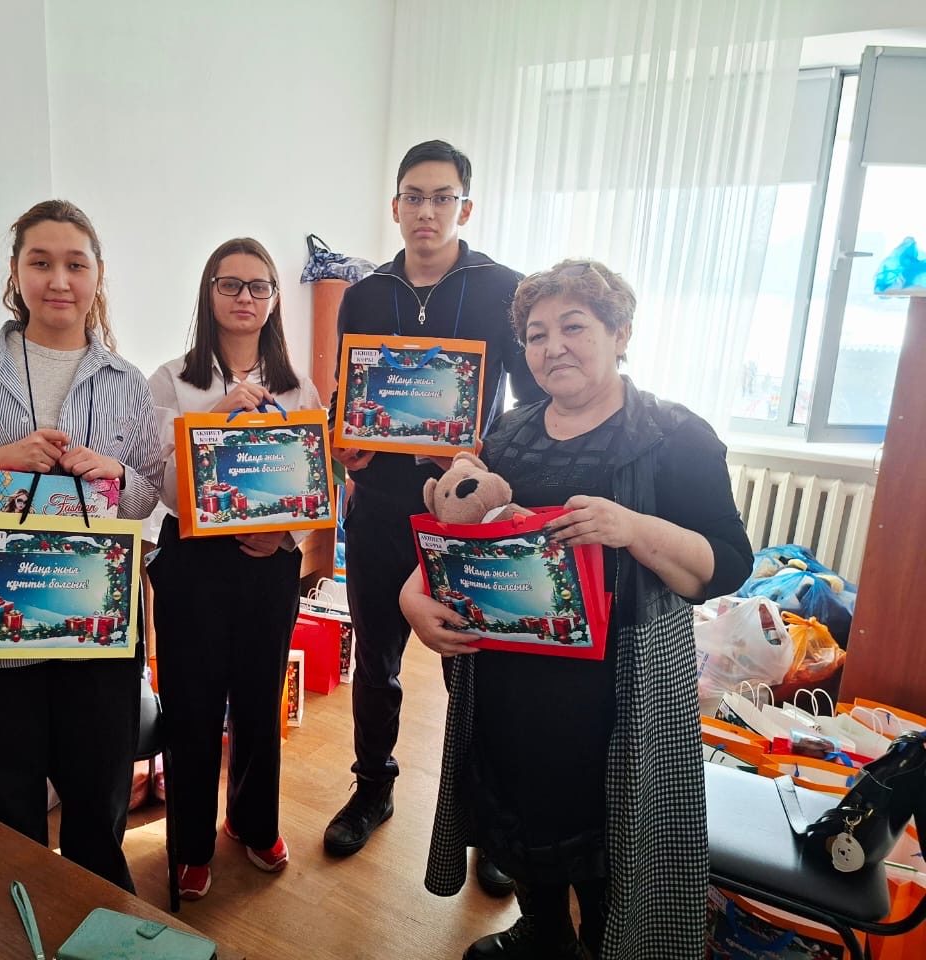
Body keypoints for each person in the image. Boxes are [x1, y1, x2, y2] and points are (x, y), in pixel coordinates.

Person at [399, 259, 752, 959]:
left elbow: (727, 564)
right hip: (509, 680)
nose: (553, 346)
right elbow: (468, 531)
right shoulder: (509, 434)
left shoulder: (675, 436)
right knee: (522, 817)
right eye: (536, 334)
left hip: (617, 693)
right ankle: (543, 931)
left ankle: (601, 945)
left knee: (608, 839)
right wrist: (413, 595)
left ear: (620, 333)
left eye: (574, 327)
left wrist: (633, 528)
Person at [0, 199, 163, 893]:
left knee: (97, 818)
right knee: (4, 820)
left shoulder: (127, 383)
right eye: (41, 262)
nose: (59, 280)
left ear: (98, 276)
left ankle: (99, 924)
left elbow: (144, 502)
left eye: (76, 264)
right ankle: (14, 931)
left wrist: (117, 473)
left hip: (96, 632)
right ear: (16, 273)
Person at [324, 140, 544, 900]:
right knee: (375, 662)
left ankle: (489, 822)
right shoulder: (363, 295)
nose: (426, 211)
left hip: (462, 517)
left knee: (471, 670)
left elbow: (530, 406)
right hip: (377, 510)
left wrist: (483, 457)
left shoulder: (503, 290)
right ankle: (371, 789)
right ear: (395, 207)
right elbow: (346, 393)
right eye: (413, 197)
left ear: (465, 208)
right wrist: (345, 438)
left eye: (441, 197)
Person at [147, 238, 324, 901]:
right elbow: (159, 483)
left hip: (267, 561)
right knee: (191, 707)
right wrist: (211, 420)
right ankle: (189, 847)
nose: (244, 297)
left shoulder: (296, 385)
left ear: (274, 299)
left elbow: (313, 480)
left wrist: (284, 533)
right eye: (230, 284)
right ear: (209, 292)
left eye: (258, 286)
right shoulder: (171, 380)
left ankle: (252, 823)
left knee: (258, 697)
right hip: (193, 560)